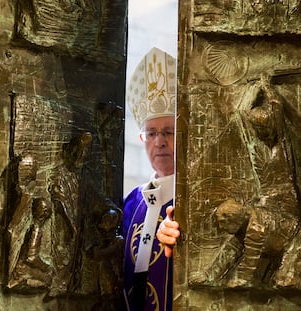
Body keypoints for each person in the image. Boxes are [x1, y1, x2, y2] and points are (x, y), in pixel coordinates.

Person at [123, 47, 178, 311]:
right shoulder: (132, 202)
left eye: (168, 131)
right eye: (152, 133)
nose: (160, 142)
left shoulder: (197, 200)